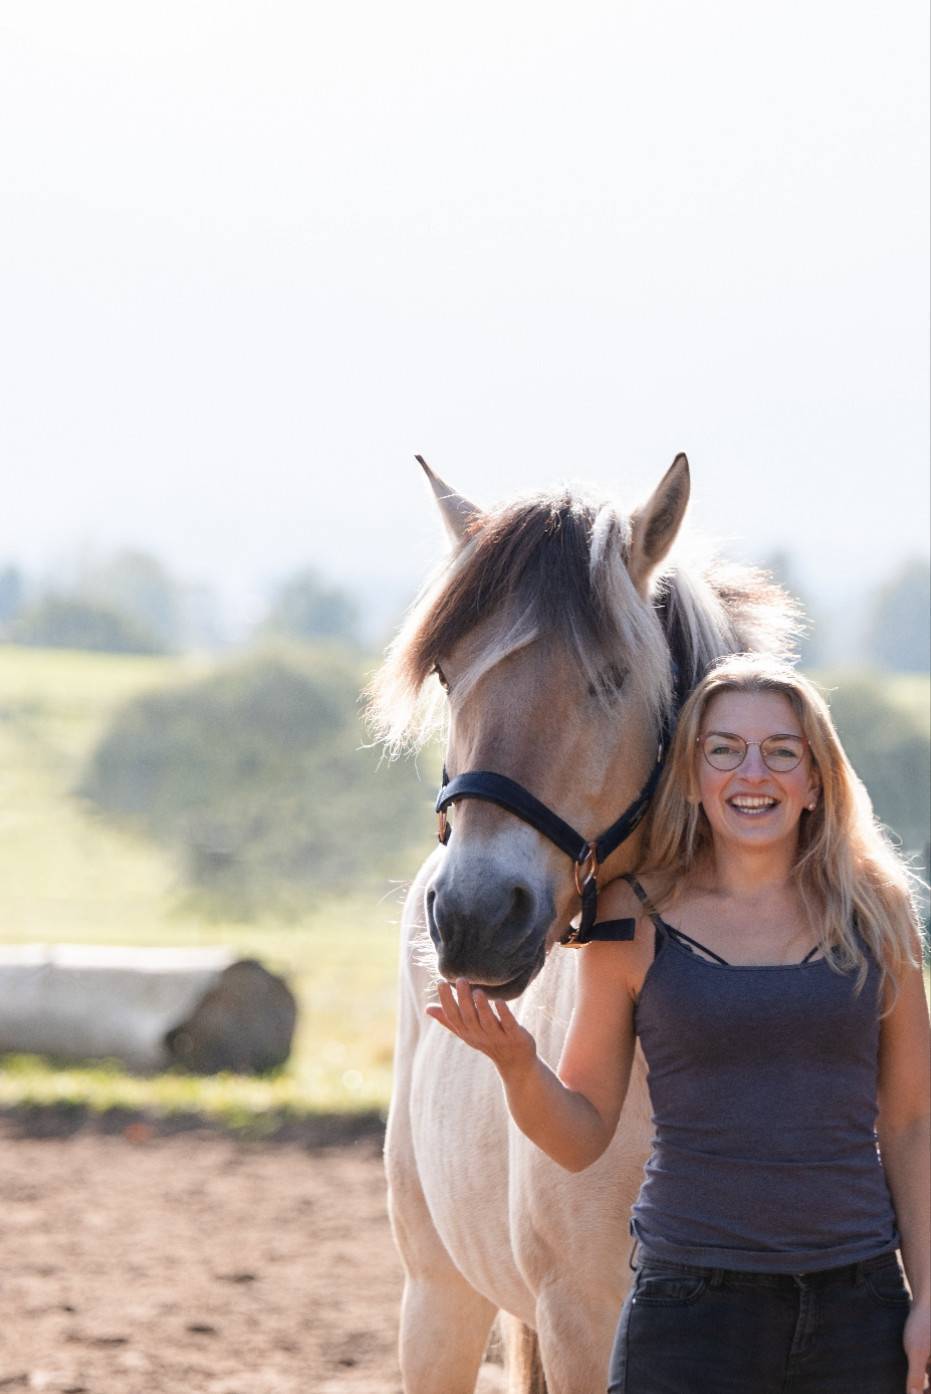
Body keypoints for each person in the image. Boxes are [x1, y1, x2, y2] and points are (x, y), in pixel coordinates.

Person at [426, 653, 931, 1394]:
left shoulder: (878, 914)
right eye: (722, 750)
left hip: (857, 1306)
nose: (751, 773)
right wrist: (516, 1065)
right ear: (690, 778)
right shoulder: (630, 919)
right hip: (688, 1314)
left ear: (817, 779)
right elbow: (579, 1135)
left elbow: (912, 1121)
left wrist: (927, 1295)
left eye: (781, 752)